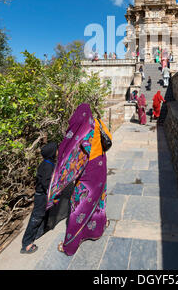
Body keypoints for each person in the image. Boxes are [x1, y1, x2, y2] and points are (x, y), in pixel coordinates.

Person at [46, 104, 112, 256]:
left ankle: (70, 245)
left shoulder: (81, 130)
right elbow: (109, 138)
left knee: (79, 206)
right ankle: (97, 229)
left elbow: (70, 153)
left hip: (88, 173)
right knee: (98, 198)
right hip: (101, 166)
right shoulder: (98, 122)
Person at [20, 142, 58, 254]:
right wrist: (53, 193)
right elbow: (46, 183)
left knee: (41, 216)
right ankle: (26, 244)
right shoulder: (48, 166)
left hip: (41, 195)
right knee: (36, 218)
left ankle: (38, 233)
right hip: (41, 196)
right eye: (56, 150)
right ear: (52, 153)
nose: (57, 152)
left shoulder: (47, 162)